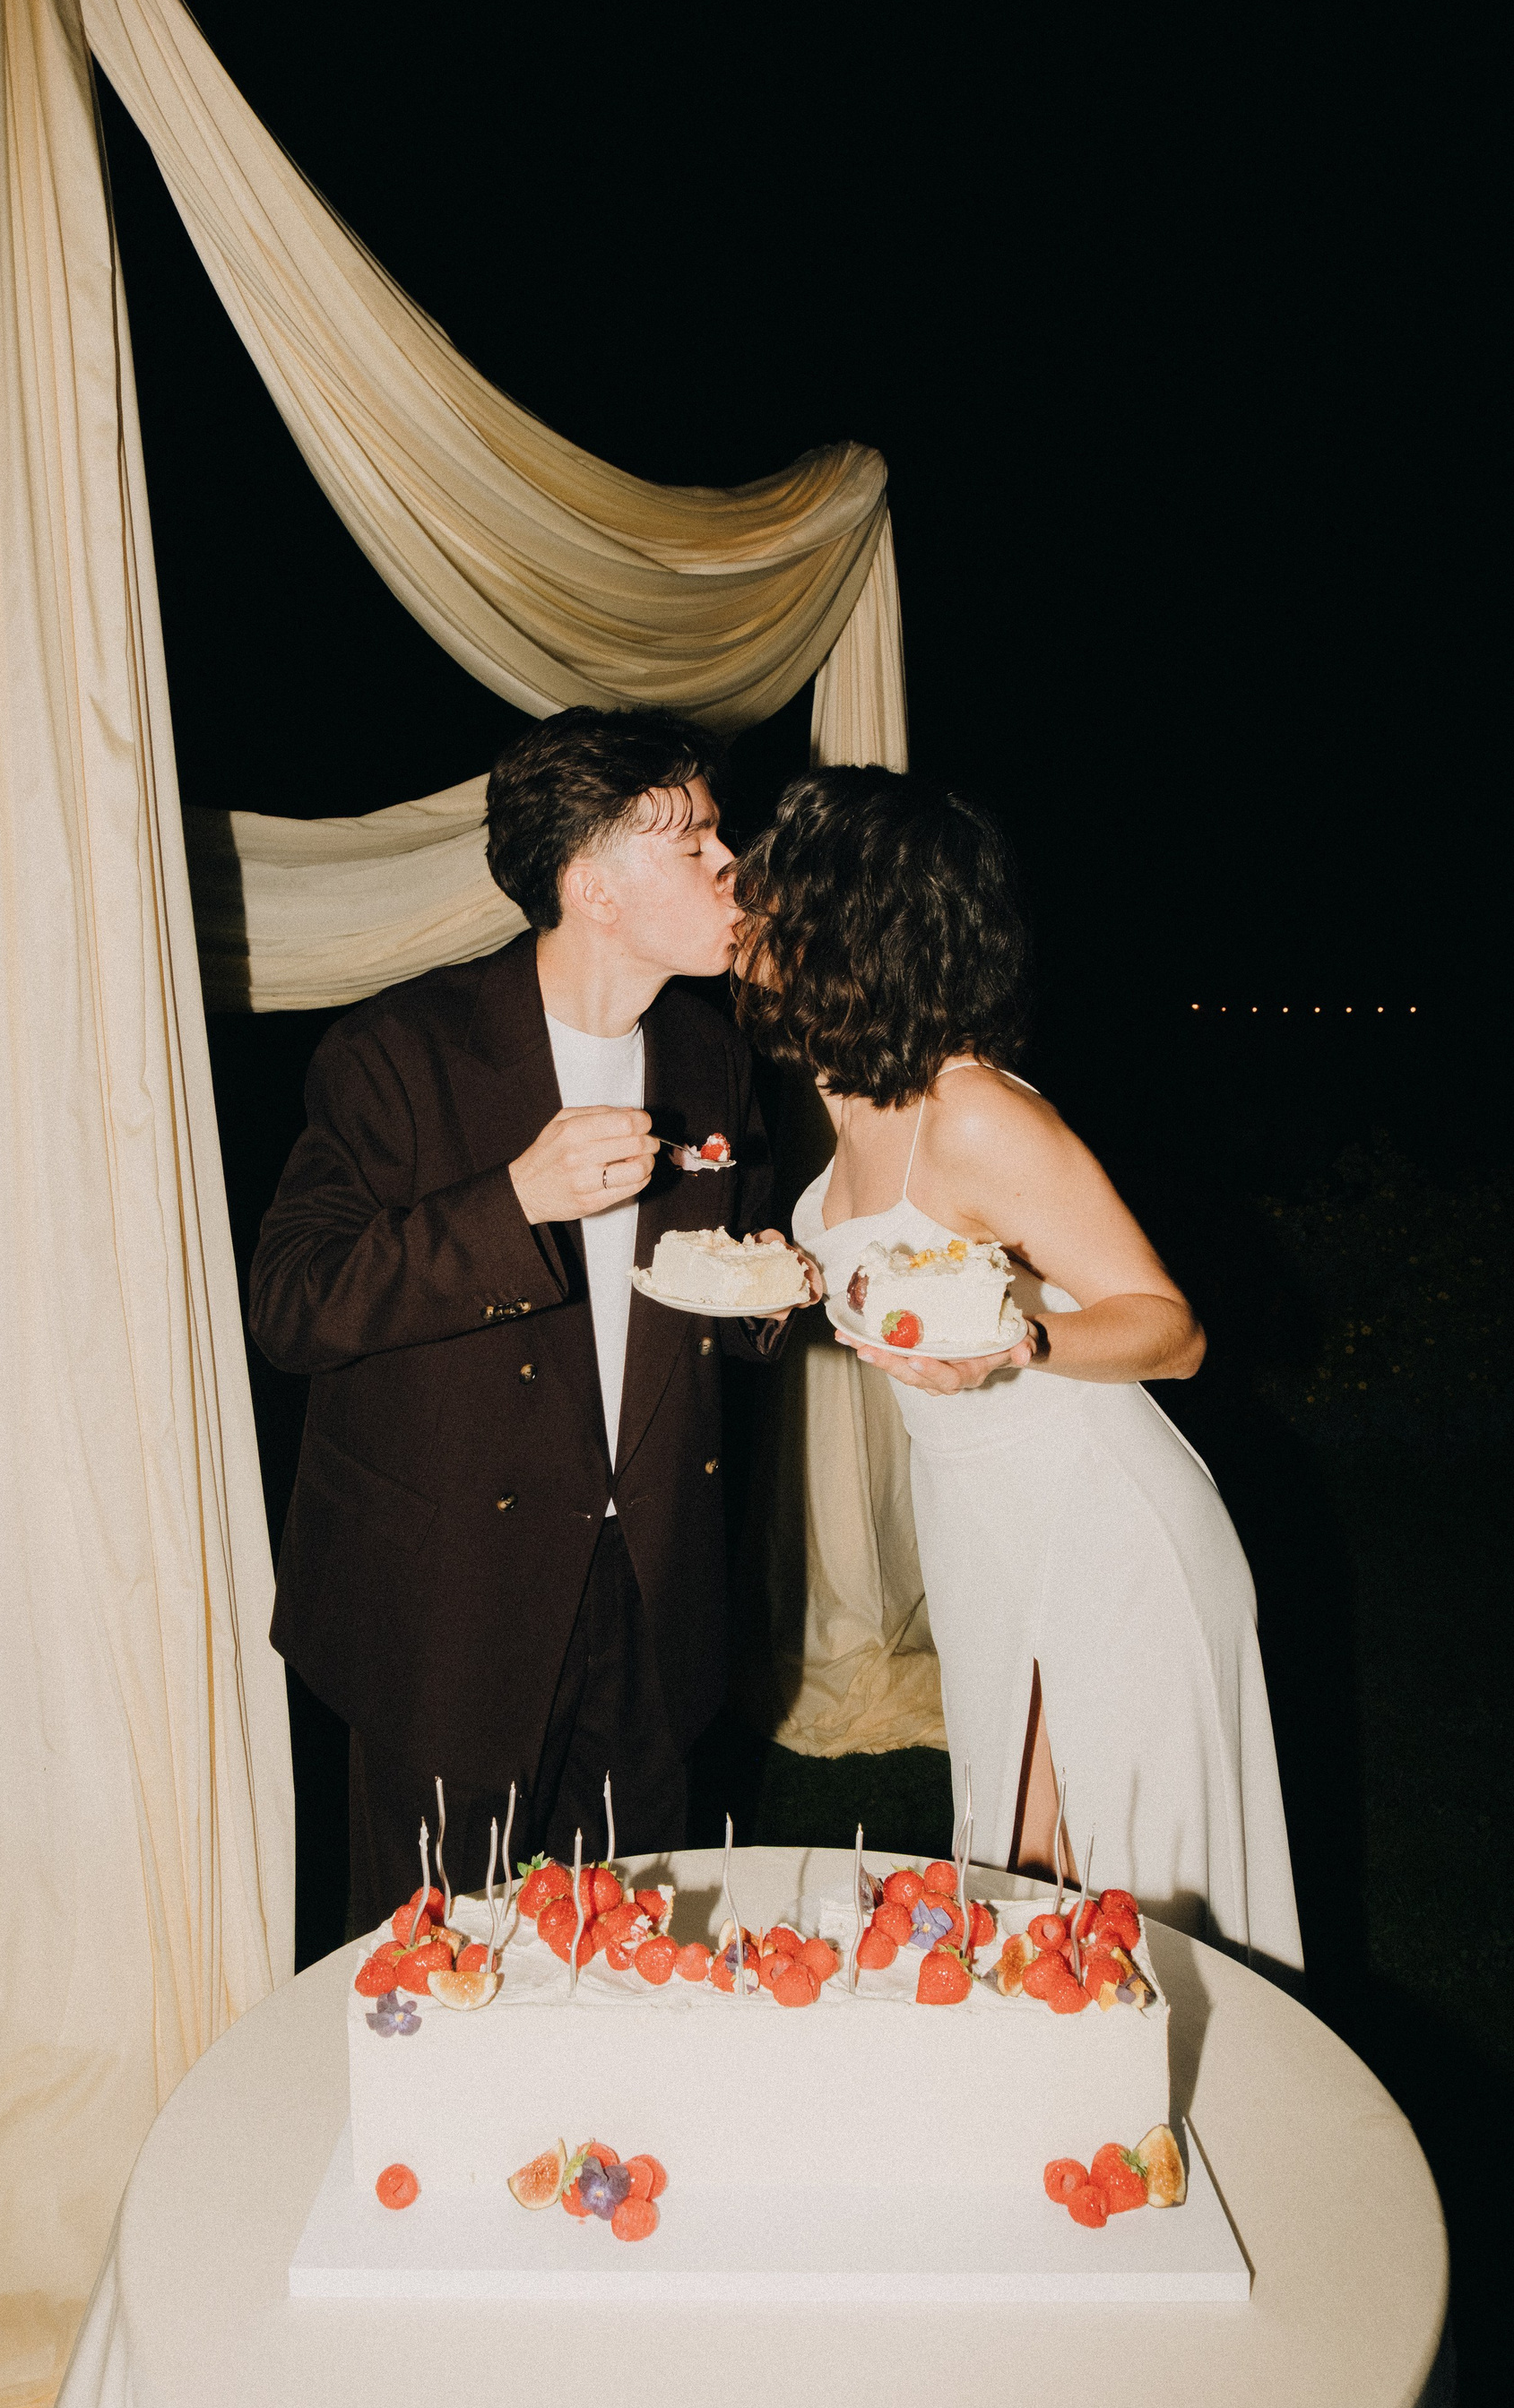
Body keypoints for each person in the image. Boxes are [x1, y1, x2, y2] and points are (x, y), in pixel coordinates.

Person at [732, 767, 1303, 1972]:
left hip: (1102, 1523)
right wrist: (786, 1281)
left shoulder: (974, 1111)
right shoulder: (843, 1093)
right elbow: (896, 1271)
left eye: (777, 888)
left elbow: (1172, 1330)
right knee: (1019, 1877)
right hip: (980, 1525)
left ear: (854, 921)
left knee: (1121, 1900)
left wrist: (1023, 1341)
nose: (750, 906)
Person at [249, 708, 806, 1936]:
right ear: (592, 888)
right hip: (451, 1600)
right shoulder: (400, 1054)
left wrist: (768, 1291)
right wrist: (512, 1203)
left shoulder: (711, 1057)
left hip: (651, 1584)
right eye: (694, 843)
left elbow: (718, 1284)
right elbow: (294, 1300)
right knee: (438, 1957)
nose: (732, 865)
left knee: (631, 1943)